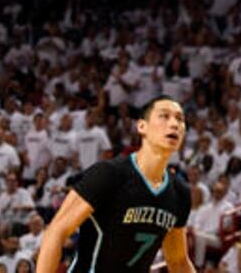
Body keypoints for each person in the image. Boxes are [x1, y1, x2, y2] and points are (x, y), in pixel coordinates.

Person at [37, 95, 194, 272]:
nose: (174, 124)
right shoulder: (109, 174)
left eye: (180, 119)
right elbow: (56, 232)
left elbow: (178, 260)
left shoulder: (180, 192)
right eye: (164, 116)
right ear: (142, 126)